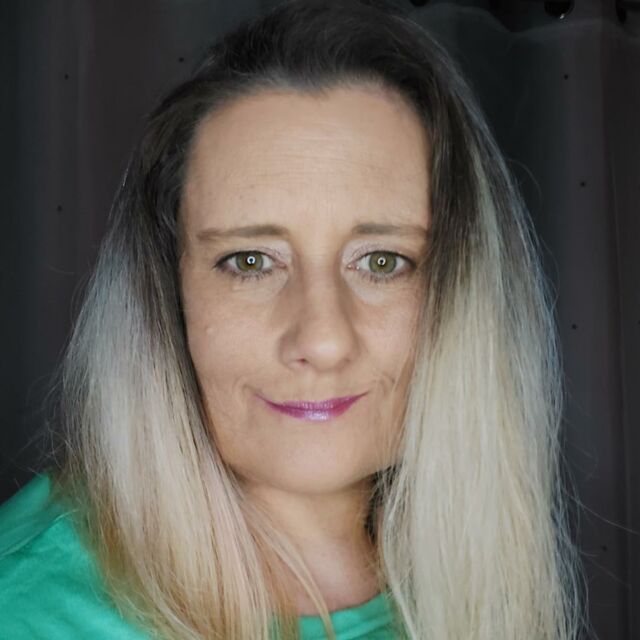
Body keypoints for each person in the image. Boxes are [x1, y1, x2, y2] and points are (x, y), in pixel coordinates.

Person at [0, 0, 591, 638]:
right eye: (251, 261)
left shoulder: (473, 567)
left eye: (382, 261)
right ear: (166, 291)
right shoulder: (29, 609)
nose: (323, 339)